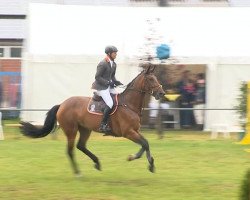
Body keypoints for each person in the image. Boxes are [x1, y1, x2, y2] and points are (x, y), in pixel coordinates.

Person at [92, 46, 123, 133]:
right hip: (101, 87)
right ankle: (103, 125)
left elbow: (112, 76)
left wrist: (116, 82)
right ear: (109, 54)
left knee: (118, 98)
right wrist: (109, 83)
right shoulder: (103, 63)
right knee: (110, 103)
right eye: (114, 53)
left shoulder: (114, 64)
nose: (116, 54)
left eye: (116, 53)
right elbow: (97, 77)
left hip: (109, 87)